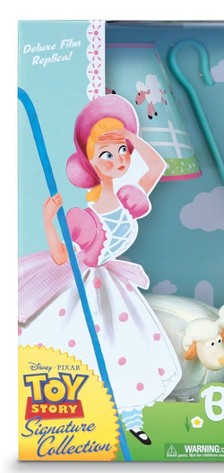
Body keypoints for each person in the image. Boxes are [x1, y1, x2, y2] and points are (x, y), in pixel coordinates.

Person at [18, 95, 182, 444]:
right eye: (106, 154)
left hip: (115, 286)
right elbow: (61, 257)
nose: (118, 159)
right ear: (90, 163)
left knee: (125, 347)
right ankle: (78, 420)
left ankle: (131, 416)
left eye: (122, 151)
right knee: (85, 348)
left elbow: (156, 166)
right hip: (83, 288)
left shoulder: (129, 199)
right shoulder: (84, 217)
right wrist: (48, 220)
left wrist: (130, 136)